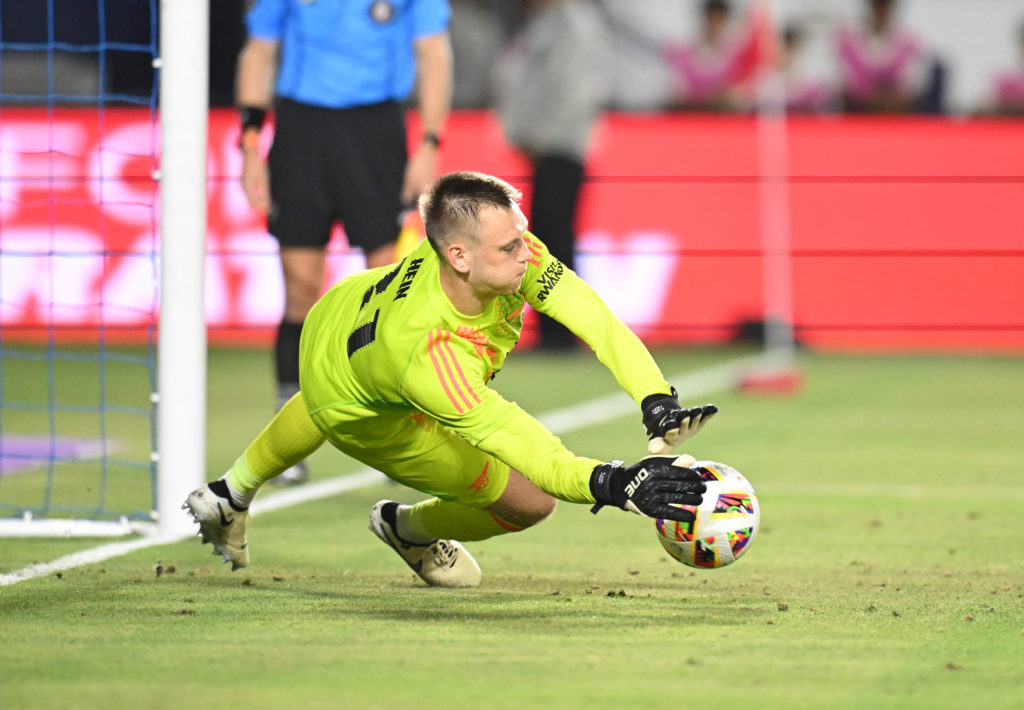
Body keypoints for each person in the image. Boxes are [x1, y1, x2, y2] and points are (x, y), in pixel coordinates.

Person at [184, 171, 718, 588]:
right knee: (529, 502)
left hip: (337, 315)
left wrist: (656, 399)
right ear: (459, 256)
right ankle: (406, 528)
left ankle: (231, 491)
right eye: (509, 247)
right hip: (366, 410)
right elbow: (533, 451)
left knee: (333, 387)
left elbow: (594, 319)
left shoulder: (497, 253)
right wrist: (615, 483)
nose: (526, 253)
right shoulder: (434, 361)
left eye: (522, 236)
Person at [235, 0, 453, 484]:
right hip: (301, 131)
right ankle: (287, 439)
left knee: (391, 288)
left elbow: (434, 54)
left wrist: (429, 143)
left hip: (376, 130)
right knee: (299, 287)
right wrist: (251, 144)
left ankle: (401, 431)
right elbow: (259, 52)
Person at [495, 0, 610, 350]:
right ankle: (555, 333)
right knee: (549, 238)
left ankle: (561, 335)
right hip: (552, 146)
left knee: (555, 243)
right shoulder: (554, 21)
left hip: (561, 146)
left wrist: (539, 134)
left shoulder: (573, 24)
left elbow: (572, 88)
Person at [835, 0, 928, 114]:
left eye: (884, 8)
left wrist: (891, 95)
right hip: (860, 108)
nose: (880, 13)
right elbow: (845, 81)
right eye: (877, 7)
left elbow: (912, 81)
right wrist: (870, 94)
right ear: (871, 8)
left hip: (896, 108)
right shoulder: (849, 41)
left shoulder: (907, 41)